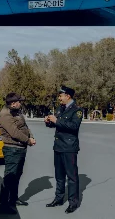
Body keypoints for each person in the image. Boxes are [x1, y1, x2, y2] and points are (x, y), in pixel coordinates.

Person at [45, 85, 83, 214]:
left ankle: (73, 202)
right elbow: (57, 124)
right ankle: (59, 198)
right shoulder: (60, 108)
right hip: (58, 147)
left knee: (71, 177)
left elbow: (73, 126)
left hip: (69, 148)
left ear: (68, 96)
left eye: (61, 96)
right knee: (59, 175)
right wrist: (49, 121)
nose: (59, 98)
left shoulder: (77, 110)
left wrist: (57, 121)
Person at [0, 93, 36, 214]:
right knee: (9, 177)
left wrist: (31, 136)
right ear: (13, 103)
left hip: (20, 148)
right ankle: (4, 205)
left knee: (17, 176)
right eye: (19, 101)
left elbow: (25, 126)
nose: (21, 103)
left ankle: (13, 199)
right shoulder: (5, 114)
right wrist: (28, 140)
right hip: (12, 149)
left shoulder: (17, 112)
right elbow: (14, 132)